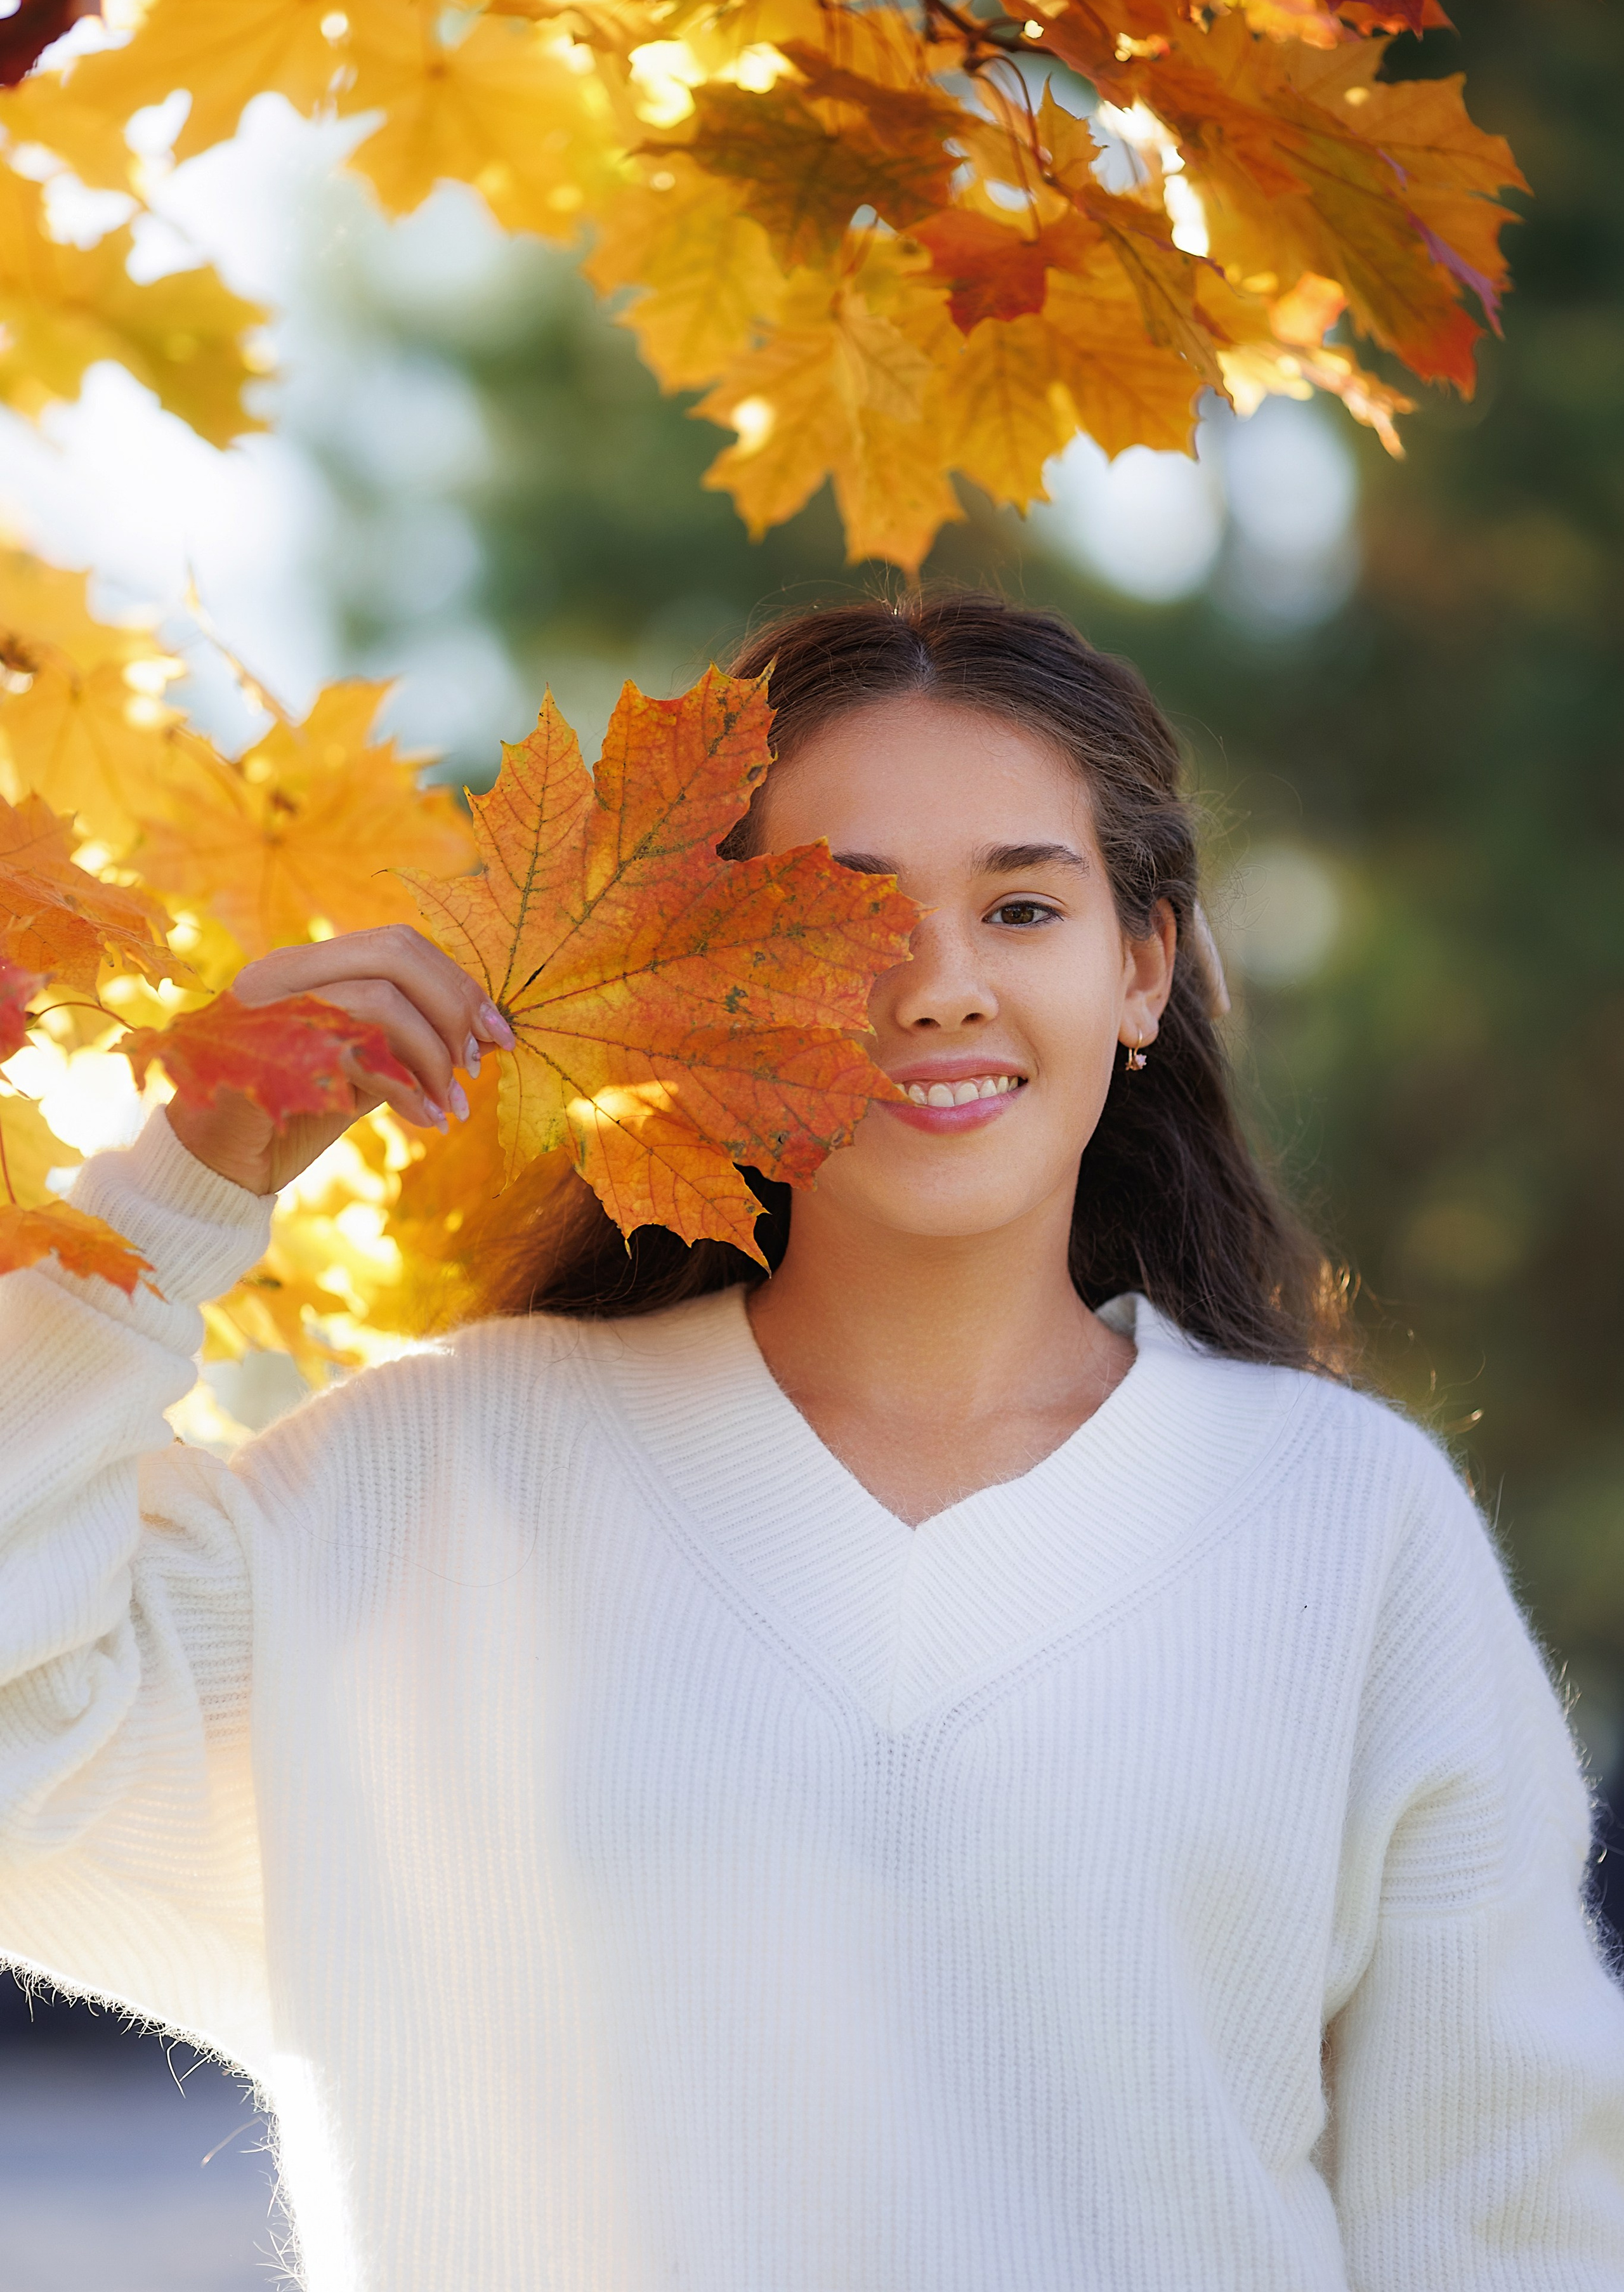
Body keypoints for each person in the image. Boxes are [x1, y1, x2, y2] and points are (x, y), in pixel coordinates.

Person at [3, 594, 1621, 2292]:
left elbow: (1507, 2217)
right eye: (844, 919)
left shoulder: (1347, 1534)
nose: (939, 989)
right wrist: (184, 1190)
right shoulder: (430, 1483)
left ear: (1139, 965)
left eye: (1020, 906)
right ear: (715, 983)